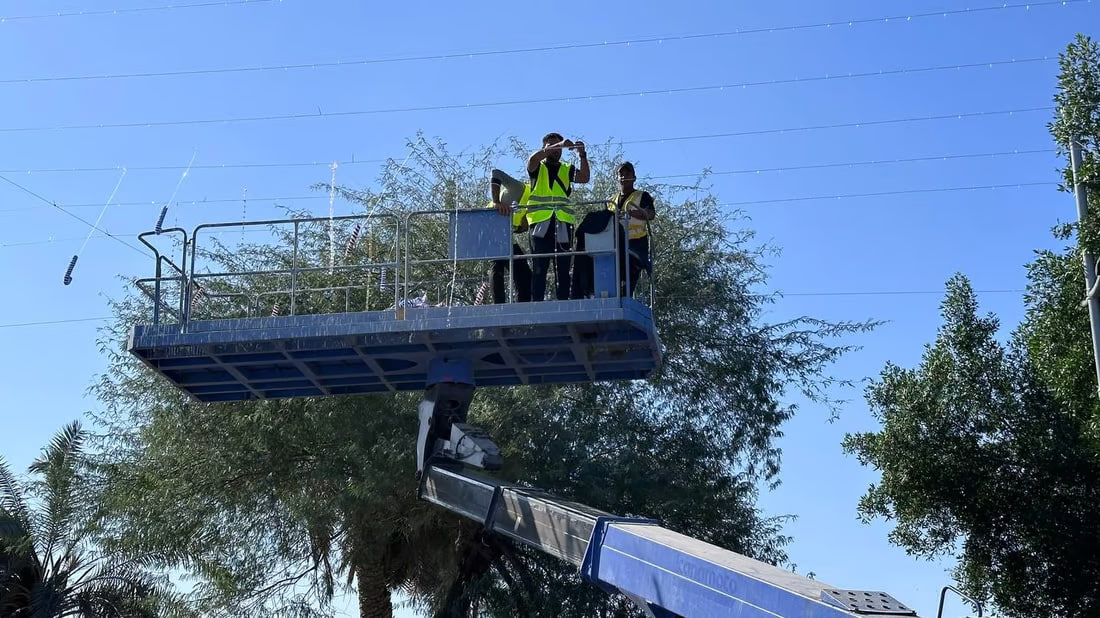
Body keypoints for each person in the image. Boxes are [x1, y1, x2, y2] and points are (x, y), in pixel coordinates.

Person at [525, 132, 590, 301]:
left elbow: (584, 178)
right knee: (540, 266)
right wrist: (560, 144)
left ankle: (563, 302)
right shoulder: (537, 167)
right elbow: (532, 160)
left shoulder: (566, 169)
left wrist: (582, 154)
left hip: (562, 222)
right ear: (544, 147)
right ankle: (537, 305)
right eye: (552, 145)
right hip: (540, 223)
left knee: (563, 267)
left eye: (559, 147)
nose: (557, 150)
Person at [609, 162, 655, 296]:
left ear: (634, 177)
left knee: (630, 277)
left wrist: (631, 213)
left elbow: (650, 214)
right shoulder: (612, 200)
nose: (623, 176)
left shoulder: (642, 196)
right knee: (614, 275)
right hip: (617, 243)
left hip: (636, 243)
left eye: (627, 173)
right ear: (617, 178)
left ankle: (624, 298)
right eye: (620, 174)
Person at [487, 168, 532, 304]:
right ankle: (499, 305)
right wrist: (496, 202)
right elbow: (496, 173)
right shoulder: (520, 188)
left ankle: (521, 308)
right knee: (498, 265)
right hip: (489, 225)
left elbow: (520, 224)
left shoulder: (533, 204)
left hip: (505, 234)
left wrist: (521, 227)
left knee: (524, 272)